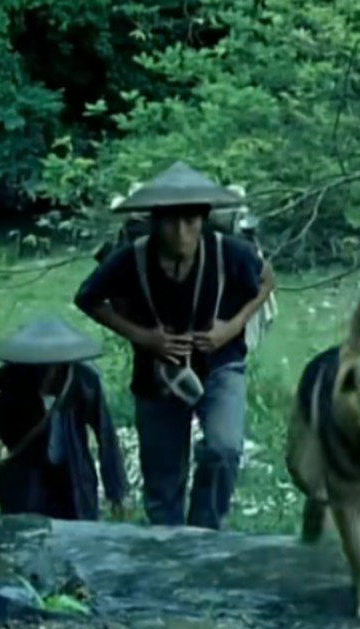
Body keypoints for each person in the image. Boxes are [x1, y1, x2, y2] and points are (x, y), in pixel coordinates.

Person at [73, 160, 276, 530]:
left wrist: (231, 327)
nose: (181, 232)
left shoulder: (228, 251)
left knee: (224, 447)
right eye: (171, 222)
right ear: (155, 223)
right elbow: (87, 298)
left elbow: (266, 280)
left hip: (220, 363)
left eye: (190, 222)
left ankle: (205, 529)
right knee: (162, 472)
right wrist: (143, 337)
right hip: (158, 372)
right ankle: (167, 541)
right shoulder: (132, 258)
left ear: (202, 222)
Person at [0, 317, 128, 520]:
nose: (49, 368)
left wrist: (116, 492)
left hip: (73, 480)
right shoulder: (7, 379)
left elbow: (106, 435)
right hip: (25, 483)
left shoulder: (84, 380)